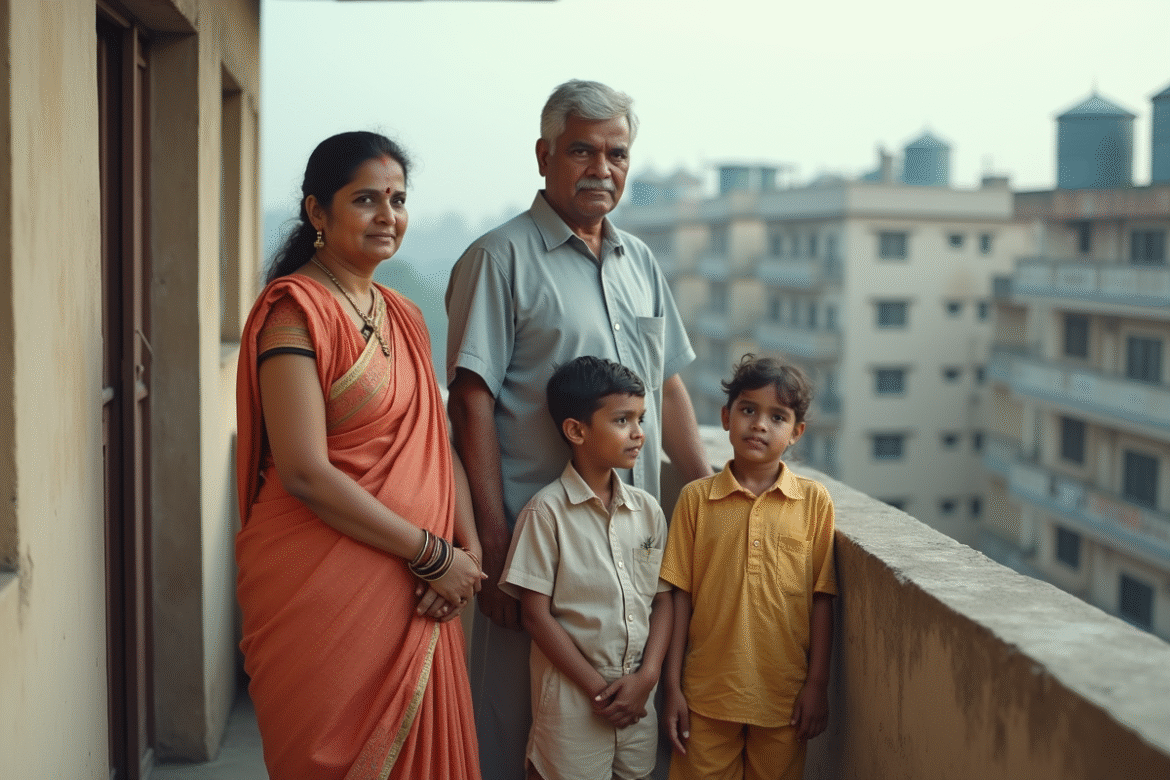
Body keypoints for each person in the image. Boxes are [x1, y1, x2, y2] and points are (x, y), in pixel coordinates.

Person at [445, 79, 713, 780]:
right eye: (582, 151)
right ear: (544, 155)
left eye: (617, 154)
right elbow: (470, 401)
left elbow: (670, 385)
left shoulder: (642, 262)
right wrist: (496, 539)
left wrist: (713, 496)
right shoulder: (498, 258)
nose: (602, 169)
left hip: (633, 547)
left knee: (626, 740)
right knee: (521, 729)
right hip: (539, 553)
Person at [235, 131, 484, 780]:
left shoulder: (405, 314)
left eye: (398, 199)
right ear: (317, 212)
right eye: (366, 199)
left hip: (423, 589)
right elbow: (305, 473)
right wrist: (432, 555)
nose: (388, 215)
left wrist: (469, 549)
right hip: (323, 588)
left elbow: (435, 438)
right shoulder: (296, 312)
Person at [660, 355, 837, 780]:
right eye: (748, 410)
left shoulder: (814, 503)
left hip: (782, 699)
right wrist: (672, 686)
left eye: (777, 417)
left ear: (796, 433)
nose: (759, 424)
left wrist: (816, 685)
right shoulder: (697, 500)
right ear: (726, 417)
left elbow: (822, 599)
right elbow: (679, 597)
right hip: (705, 694)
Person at [500, 356, 673, 780]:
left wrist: (647, 678)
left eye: (641, 419)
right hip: (573, 705)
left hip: (637, 704)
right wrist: (601, 694)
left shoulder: (649, 511)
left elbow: (664, 601)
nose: (638, 433)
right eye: (621, 420)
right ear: (576, 430)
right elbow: (534, 614)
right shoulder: (546, 513)